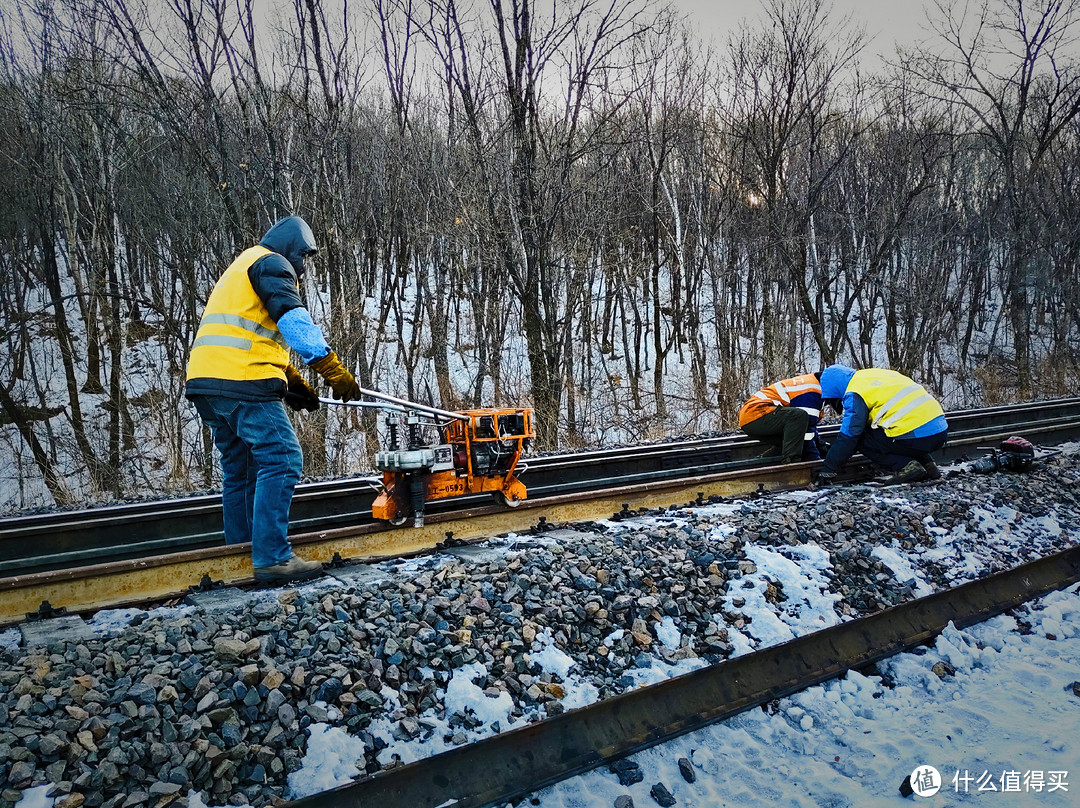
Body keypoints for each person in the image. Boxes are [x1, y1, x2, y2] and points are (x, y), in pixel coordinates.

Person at [185, 215, 362, 583]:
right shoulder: (273, 263)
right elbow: (293, 320)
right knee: (282, 458)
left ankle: (240, 554)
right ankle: (272, 558)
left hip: (206, 382)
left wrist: (292, 382)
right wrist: (332, 370)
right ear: (292, 248)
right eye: (305, 256)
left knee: (241, 469)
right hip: (241, 382)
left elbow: (253, 335)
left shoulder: (241, 265)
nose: (304, 265)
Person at [816, 364, 948, 484]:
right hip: (940, 431)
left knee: (861, 440)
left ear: (834, 389)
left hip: (917, 436)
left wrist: (829, 467)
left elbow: (850, 435)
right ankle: (929, 465)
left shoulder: (854, 391)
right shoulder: (873, 375)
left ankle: (906, 467)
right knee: (897, 430)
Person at [738, 372, 825, 463]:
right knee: (798, 416)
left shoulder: (813, 384)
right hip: (757, 413)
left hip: (753, 416)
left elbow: (808, 429)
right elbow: (807, 434)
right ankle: (792, 463)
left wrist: (822, 446)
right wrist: (816, 462)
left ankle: (761, 462)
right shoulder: (812, 390)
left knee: (793, 441)